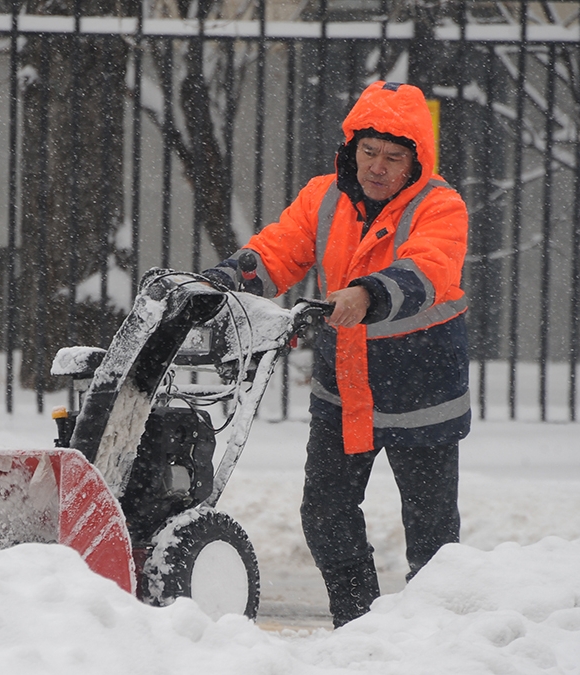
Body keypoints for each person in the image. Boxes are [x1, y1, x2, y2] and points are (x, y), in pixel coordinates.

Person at [201, 81, 470, 628]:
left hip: (422, 388)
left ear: (414, 162)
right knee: (324, 514)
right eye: (369, 152)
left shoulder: (440, 205)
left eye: (394, 157)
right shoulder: (324, 197)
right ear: (352, 148)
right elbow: (278, 250)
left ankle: (436, 638)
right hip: (345, 387)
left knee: (431, 530)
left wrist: (369, 293)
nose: (378, 166)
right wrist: (226, 280)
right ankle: (358, 624)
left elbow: (429, 268)